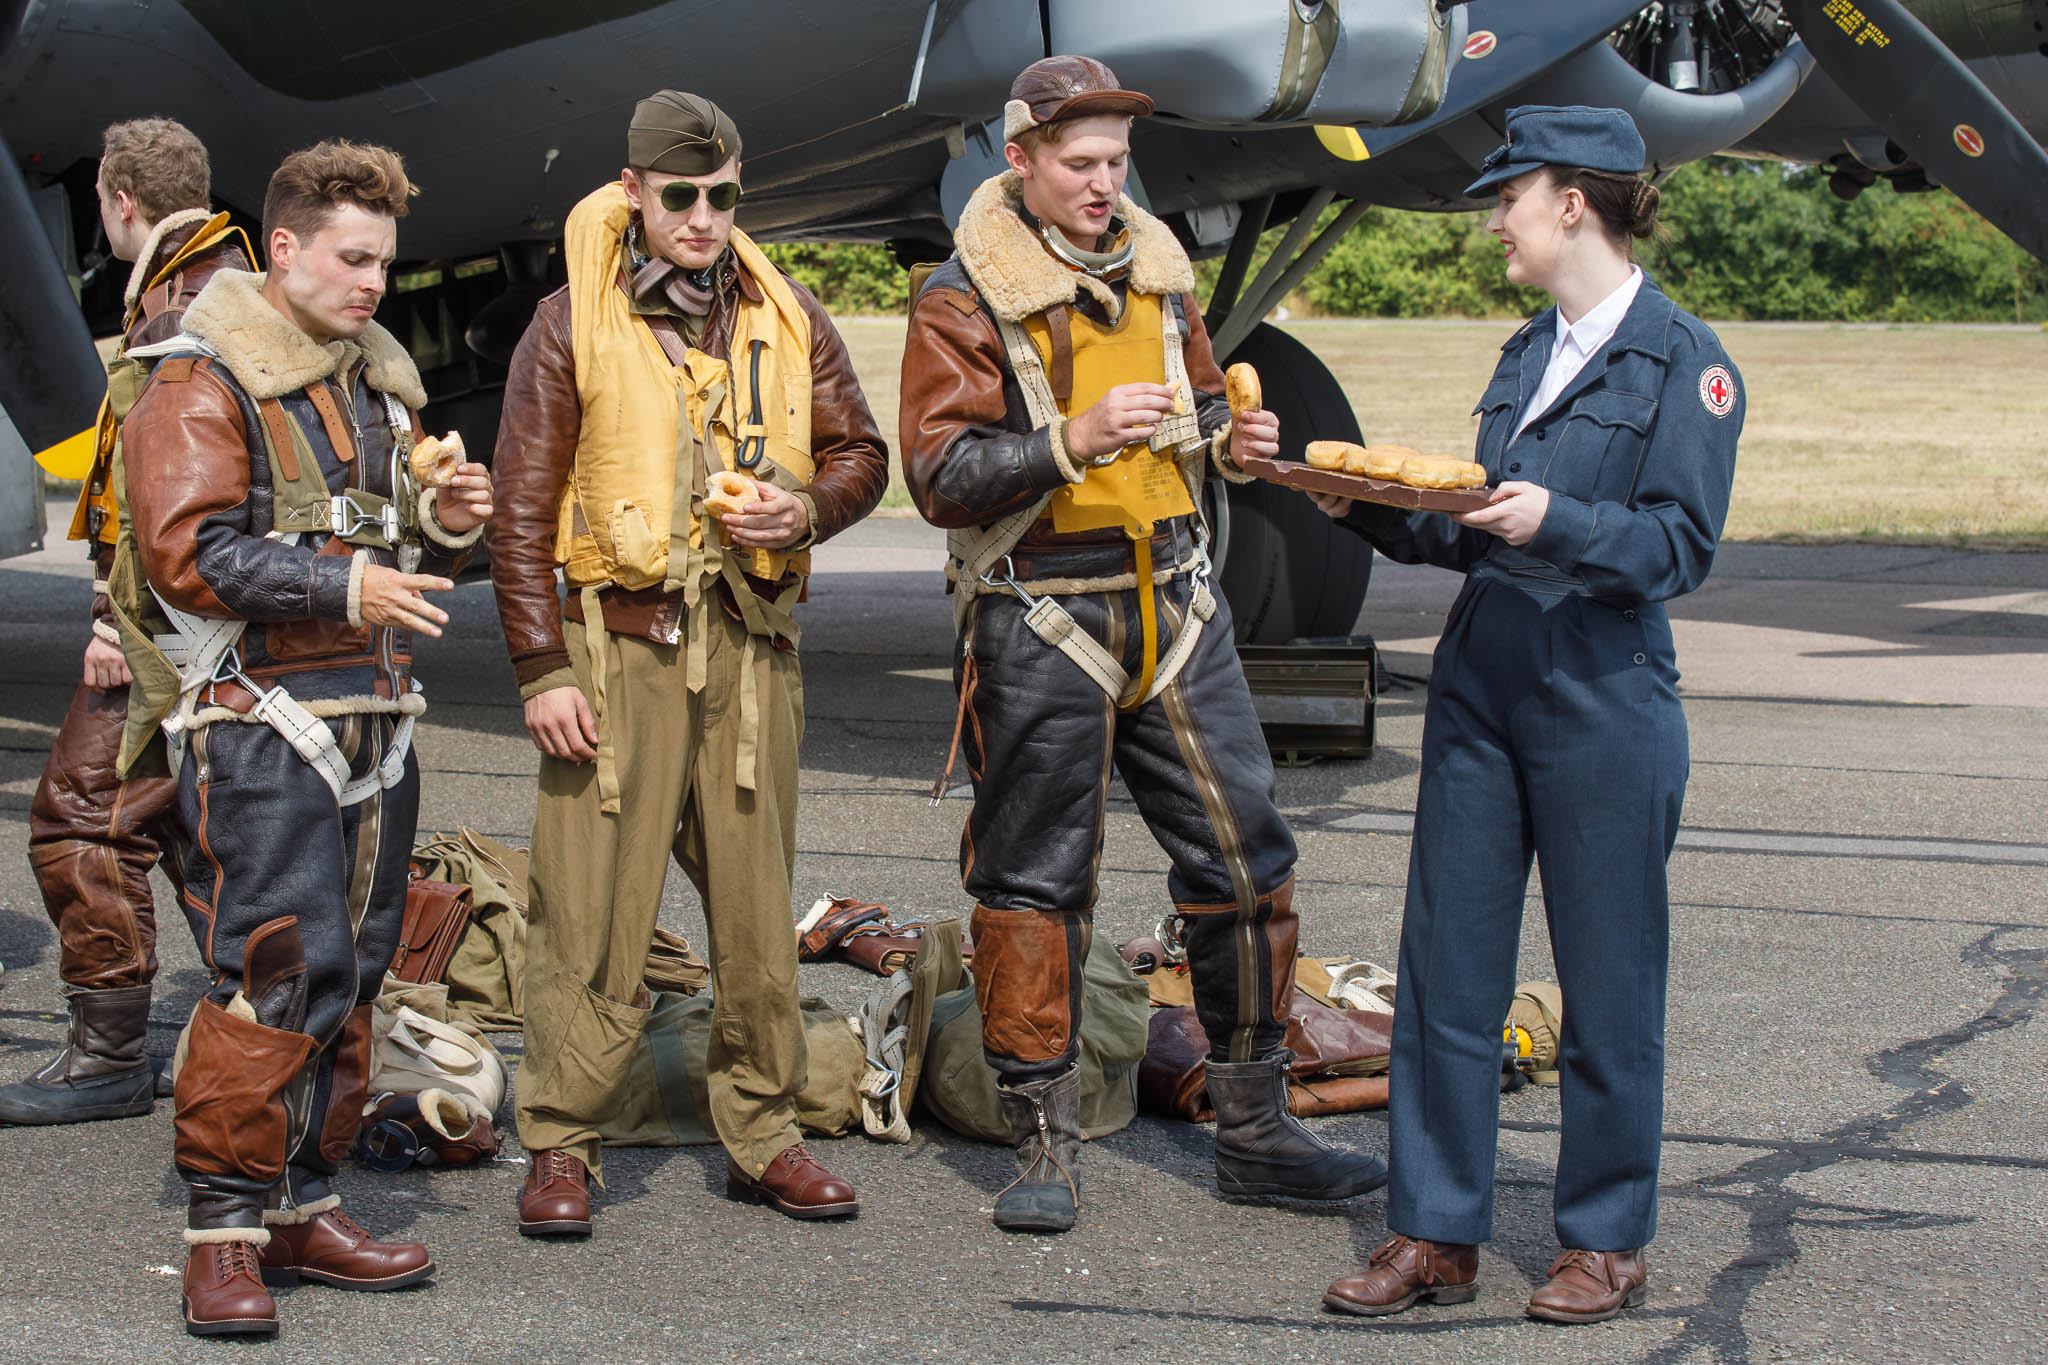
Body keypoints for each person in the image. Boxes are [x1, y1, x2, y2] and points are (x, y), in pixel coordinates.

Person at [898, 55, 1386, 1235]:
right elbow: (937, 475)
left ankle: (1256, 1130)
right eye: (1078, 164)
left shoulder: (1159, 274)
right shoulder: (960, 297)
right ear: (1019, 161)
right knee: (1032, 886)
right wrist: (1065, 440)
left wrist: (1237, 433)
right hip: (1039, 612)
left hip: (1175, 604)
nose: (1103, 184)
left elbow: (1202, 410)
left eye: (1117, 163)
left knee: (1244, 863)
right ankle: (1040, 1145)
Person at [1315, 106, 1743, 1324]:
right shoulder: (1526, 351)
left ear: (1573, 202)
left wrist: (1554, 520)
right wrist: (1352, 501)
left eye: (1510, 195)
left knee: (1607, 981)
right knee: (1443, 974)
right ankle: (1432, 1233)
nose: (1492, 216)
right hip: (1480, 686)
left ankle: (1603, 1240)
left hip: (1599, 691)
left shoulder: (1682, 361)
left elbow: (1675, 547)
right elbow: (1468, 521)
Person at [487, 90, 887, 1235]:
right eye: (681, 196)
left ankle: (762, 1133)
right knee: (591, 912)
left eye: (722, 195)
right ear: (634, 193)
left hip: (753, 655)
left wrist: (801, 511)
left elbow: (862, 450)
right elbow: (518, 512)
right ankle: (563, 1139)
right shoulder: (568, 322)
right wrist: (537, 668)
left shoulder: (783, 310)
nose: (705, 217)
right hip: (616, 654)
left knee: (759, 913)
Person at [122, 139, 494, 1337]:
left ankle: (301, 1204)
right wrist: (344, 589)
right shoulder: (200, 374)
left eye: (385, 260)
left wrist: (437, 521)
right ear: (281, 249)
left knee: (352, 977)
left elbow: (370, 534)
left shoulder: (373, 384)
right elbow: (190, 553)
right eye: (351, 257)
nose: (374, 281)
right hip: (262, 723)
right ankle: (221, 1235)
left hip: (375, 721)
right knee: (270, 973)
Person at [0, 117, 252, 1127]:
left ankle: (107, 1055)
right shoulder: (229, 286)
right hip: (220, 623)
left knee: (77, 819)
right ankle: (267, 1017)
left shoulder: (177, 311)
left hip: (171, 627)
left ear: (117, 202)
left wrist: (115, 616)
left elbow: (162, 495)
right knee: (195, 831)